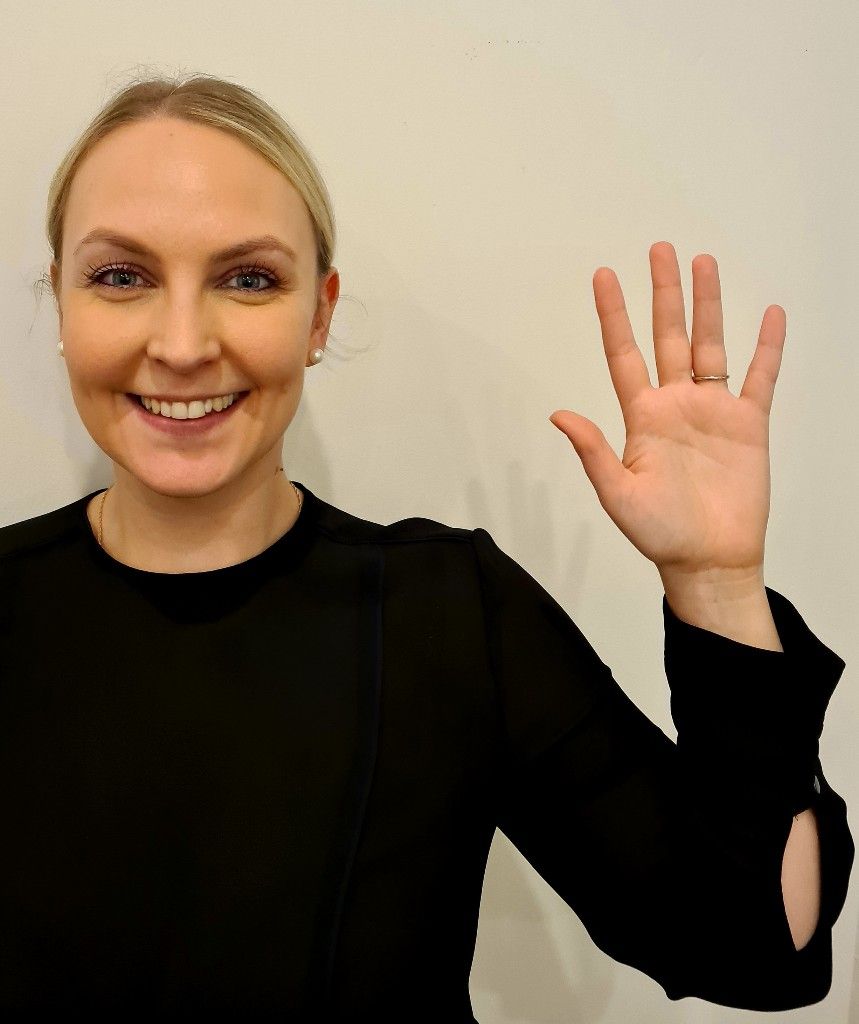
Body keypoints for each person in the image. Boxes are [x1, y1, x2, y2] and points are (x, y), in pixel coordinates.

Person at [0, 72, 852, 1020]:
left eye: (249, 279)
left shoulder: (448, 610)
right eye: (121, 277)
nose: (184, 341)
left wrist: (718, 585)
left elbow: (749, 944)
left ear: (318, 316)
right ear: (62, 307)